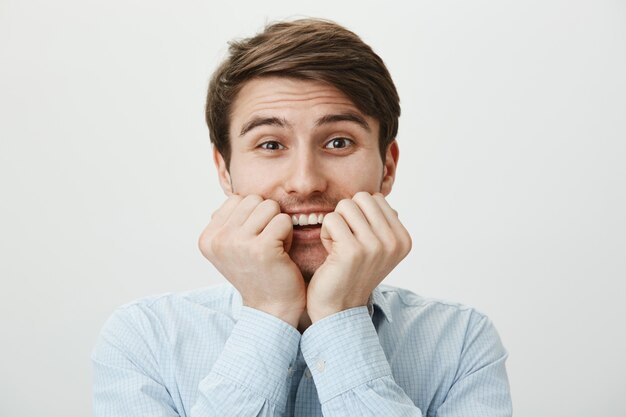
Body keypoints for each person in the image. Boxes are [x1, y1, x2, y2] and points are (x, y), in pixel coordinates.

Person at [92, 18, 512, 417]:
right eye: (271, 145)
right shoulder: (143, 337)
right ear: (224, 169)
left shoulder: (460, 341)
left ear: (387, 167)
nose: (305, 181)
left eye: (338, 141)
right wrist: (270, 311)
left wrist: (340, 316)